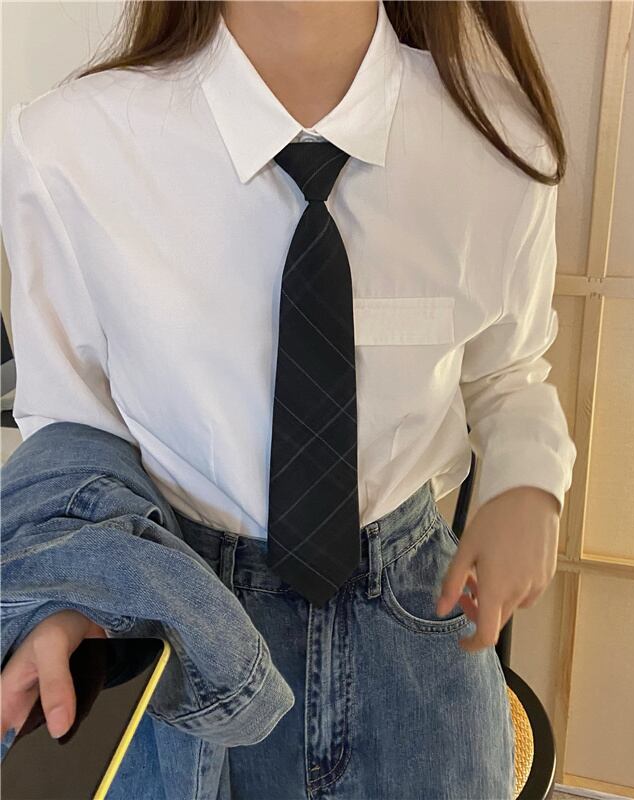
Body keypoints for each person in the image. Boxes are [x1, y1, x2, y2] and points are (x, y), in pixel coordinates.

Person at [0, 1, 577, 796]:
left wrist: (527, 481)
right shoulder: (69, 147)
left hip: (413, 630)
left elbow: (509, 369)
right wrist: (77, 590)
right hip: (173, 630)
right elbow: (71, 422)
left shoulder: (498, 139)